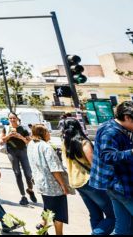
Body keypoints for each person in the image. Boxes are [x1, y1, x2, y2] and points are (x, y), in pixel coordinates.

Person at [62, 118, 115, 235]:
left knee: (95, 214)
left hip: (77, 183)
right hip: (89, 181)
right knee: (113, 215)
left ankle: (96, 232)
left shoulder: (65, 144)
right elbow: (95, 165)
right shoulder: (83, 143)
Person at [89, 100, 133, 235]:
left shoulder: (115, 127)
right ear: (126, 117)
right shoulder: (111, 131)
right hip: (120, 185)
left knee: (123, 229)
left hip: (116, 185)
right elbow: (107, 156)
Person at [27, 124, 69, 235]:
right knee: (59, 213)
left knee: (49, 208)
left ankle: (42, 228)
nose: (49, 134)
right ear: (43, 134)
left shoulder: (31, 144)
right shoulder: (46, 147)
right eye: (47, 132)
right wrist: (63, 185)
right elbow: (54, 169)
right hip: (53, 186)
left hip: (41, 183)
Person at [1, 113, 37, 205]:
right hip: (11, 152)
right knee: (17, 173)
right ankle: (23, 196)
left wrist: (19, 136)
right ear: (8, 119)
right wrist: (9, 135)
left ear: (17, 118)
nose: (12, 120)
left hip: (23, 151)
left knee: (28, 174)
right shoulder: (5, 128)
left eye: (14, 118)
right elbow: (1, 141)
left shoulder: (23, 129)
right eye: (10, 118)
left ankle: (30, 190)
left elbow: (28, 141)